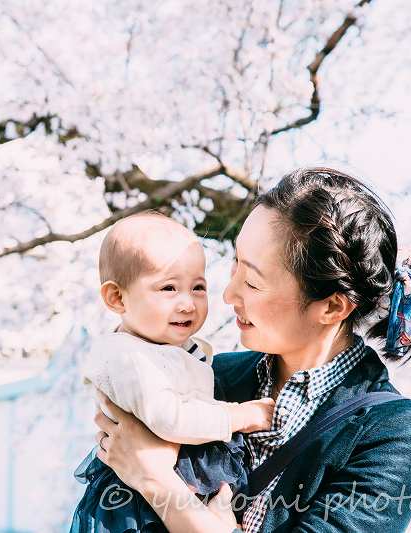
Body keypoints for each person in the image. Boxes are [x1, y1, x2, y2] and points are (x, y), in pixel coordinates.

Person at [92, 168, 411, 532]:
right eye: (234, 264)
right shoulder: (214, 375)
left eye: (253, 283)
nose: (227, 295)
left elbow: (145, 470)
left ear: (333, 307)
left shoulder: (395, 433)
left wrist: (155, 480)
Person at [70, 212, 275, 533]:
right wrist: (239, 417)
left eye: (197, 287)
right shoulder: (128, 357)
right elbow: (170, 418)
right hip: (139, 505)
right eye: (168, 288)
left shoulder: (179, 349)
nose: (187, 304)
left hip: (179, 482)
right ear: (117, 297)